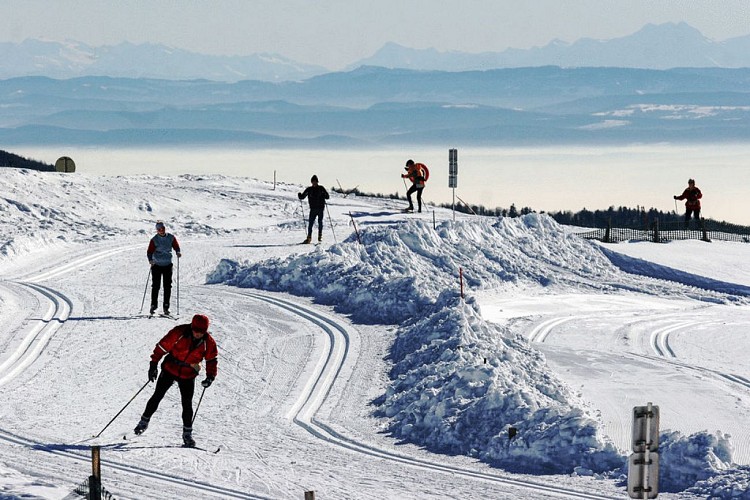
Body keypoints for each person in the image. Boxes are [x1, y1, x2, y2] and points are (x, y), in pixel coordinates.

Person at [133, 314, 218, 447]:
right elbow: (161, 347)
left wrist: (210, 376)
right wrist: (153, 365)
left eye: (201, 332)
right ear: (191, 327)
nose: (197, 334)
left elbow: (211, 360)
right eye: (196, 330)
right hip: (170, 368)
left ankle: (187, 434)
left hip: (188, 374)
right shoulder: (179, 332)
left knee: (187, 404)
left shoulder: (208, 342)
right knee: (157, 395)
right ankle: (143, 422)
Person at [147, 221, 181, 316]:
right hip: (156, 265)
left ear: (165, 228)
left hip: (167, 265)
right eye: (159, 229)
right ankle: (153, 306)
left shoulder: (171, 238)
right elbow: (149, 252)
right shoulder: (154, 240)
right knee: (155, 286)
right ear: (157, 230)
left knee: (167, 287)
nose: (161, 231)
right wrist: (150, 260)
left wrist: (178, 252)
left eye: (162, 229)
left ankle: (166, 307)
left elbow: (176, 246)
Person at [298, 175, 330, 244]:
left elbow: (327, 196)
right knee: (310, 224)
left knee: (320, 222)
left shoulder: (321, 188)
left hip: (320, 208)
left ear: (317, 182)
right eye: (313, 181)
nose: (314, 183)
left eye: (315, 181)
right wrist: (300, 196)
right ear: (311, 182)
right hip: (313, 209)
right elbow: (303, 196)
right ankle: (309, 238)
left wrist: (324, 195)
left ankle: (320, 236)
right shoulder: (309, 189)